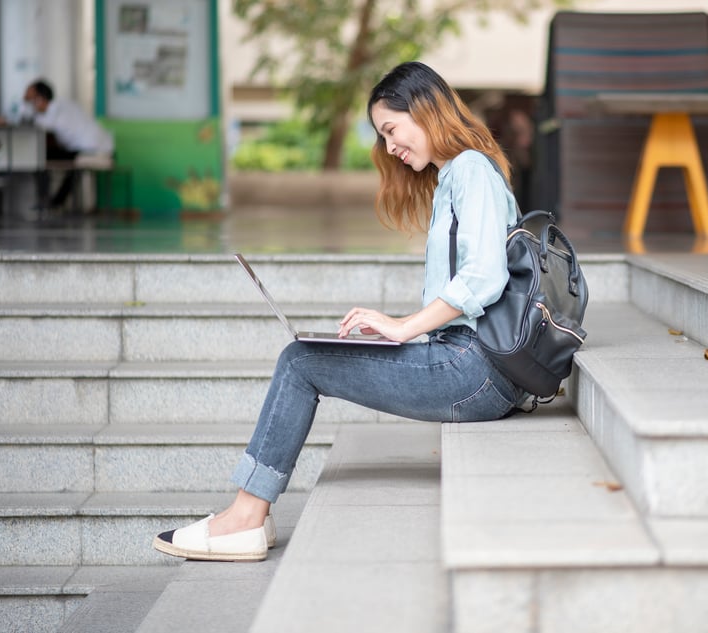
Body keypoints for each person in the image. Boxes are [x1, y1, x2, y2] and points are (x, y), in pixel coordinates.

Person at [153, 61, 523, 562]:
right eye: (382, 136)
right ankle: (248, 515)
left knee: (301, 361)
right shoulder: (456, 175)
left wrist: (403, 328)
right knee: (304, 356)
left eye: (390, 129)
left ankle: (245, 517)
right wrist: (397, 330)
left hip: (474, 372)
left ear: (425, 110)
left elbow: (483, 277)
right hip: (466, 363)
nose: (388, 148)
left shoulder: (472, 169)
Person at [14, 79, 113, 210]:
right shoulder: (63, 104)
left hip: (91, 149)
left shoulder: (53, 111)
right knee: (50, 159)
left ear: (39, 99)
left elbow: (28, 121)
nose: (30, 103)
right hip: (95, 147)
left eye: (31, 99)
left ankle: (48, 201)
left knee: (39, 158)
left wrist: (25, 106)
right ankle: (55, 202)